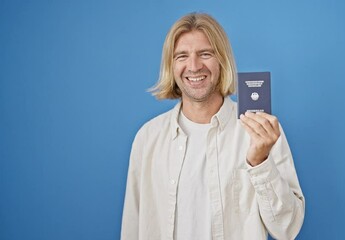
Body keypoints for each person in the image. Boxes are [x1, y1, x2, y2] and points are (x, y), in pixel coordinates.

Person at [121, 12, 305, 240]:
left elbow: (288, 228)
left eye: (205, 54)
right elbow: (132, 227)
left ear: (222, 61)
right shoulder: (147, 138)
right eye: (182, 56)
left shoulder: (261, 132)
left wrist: (260, 162)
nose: (194, 66)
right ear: (171, 65)